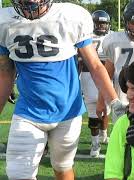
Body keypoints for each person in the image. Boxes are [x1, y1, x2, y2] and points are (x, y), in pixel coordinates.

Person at [0, 0, 123, 179]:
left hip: (67, 113)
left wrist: (114, 101)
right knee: (18, 174)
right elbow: (5, 73)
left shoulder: (69, 17)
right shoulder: (5, 22)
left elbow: (95, 65)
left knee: (62, 168)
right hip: (28, 112)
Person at [79, 10, 113, 158]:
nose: (100, 26)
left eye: (103, 23)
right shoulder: (85, 36)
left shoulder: (113, 37)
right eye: (98, 23)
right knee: (94, 110)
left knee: (108, 108)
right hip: (89, 75)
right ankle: (95, 143)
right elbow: (80, 61)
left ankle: (104, 135)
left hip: (108, 74)